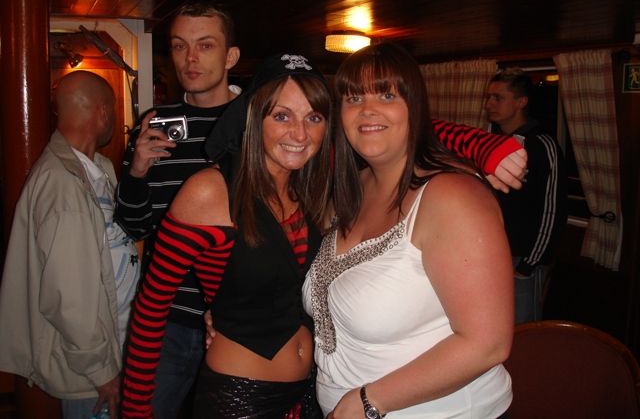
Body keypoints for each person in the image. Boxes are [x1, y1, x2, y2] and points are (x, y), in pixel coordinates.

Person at [302, 42, 515, 418]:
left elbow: (488, 343)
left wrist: (370, 401)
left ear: (414, 106)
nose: (367, 109)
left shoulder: (452, 197)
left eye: (386, 95)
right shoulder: (350, 191)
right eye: (354, 98)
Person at [122, 52, 334, 418]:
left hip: (309, 394)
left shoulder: (308, 192)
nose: (300, 134)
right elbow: (150, 308)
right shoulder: (210, 191)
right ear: (254, 116)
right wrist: (135, 413)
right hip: (239, 400)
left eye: (313, 117)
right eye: (281, 116)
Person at [114, 1, 241, 418]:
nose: (190, 58)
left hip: (233, 319)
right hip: (164, 318)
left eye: (205, 45)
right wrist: (136, 173)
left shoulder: (258, 123)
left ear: (230, 56)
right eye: (179, 46)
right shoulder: (155, 122)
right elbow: (134, 225)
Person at [0, 71, 140, 419]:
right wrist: (102, 372)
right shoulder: (62, 185)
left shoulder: (93, 170)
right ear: (103, 111)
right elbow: (69, 297)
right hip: (95, 378)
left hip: (113, 355)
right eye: (113, 110)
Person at [485, 68, 568, 324]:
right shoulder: (491, 143)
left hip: (522, 258)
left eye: (498, 98)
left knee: (523, 330)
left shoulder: (542, 144)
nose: (489, 104)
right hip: (490, 254)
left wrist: (528, 265)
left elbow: (553, 210)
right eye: (489, 97)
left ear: (521, 102)